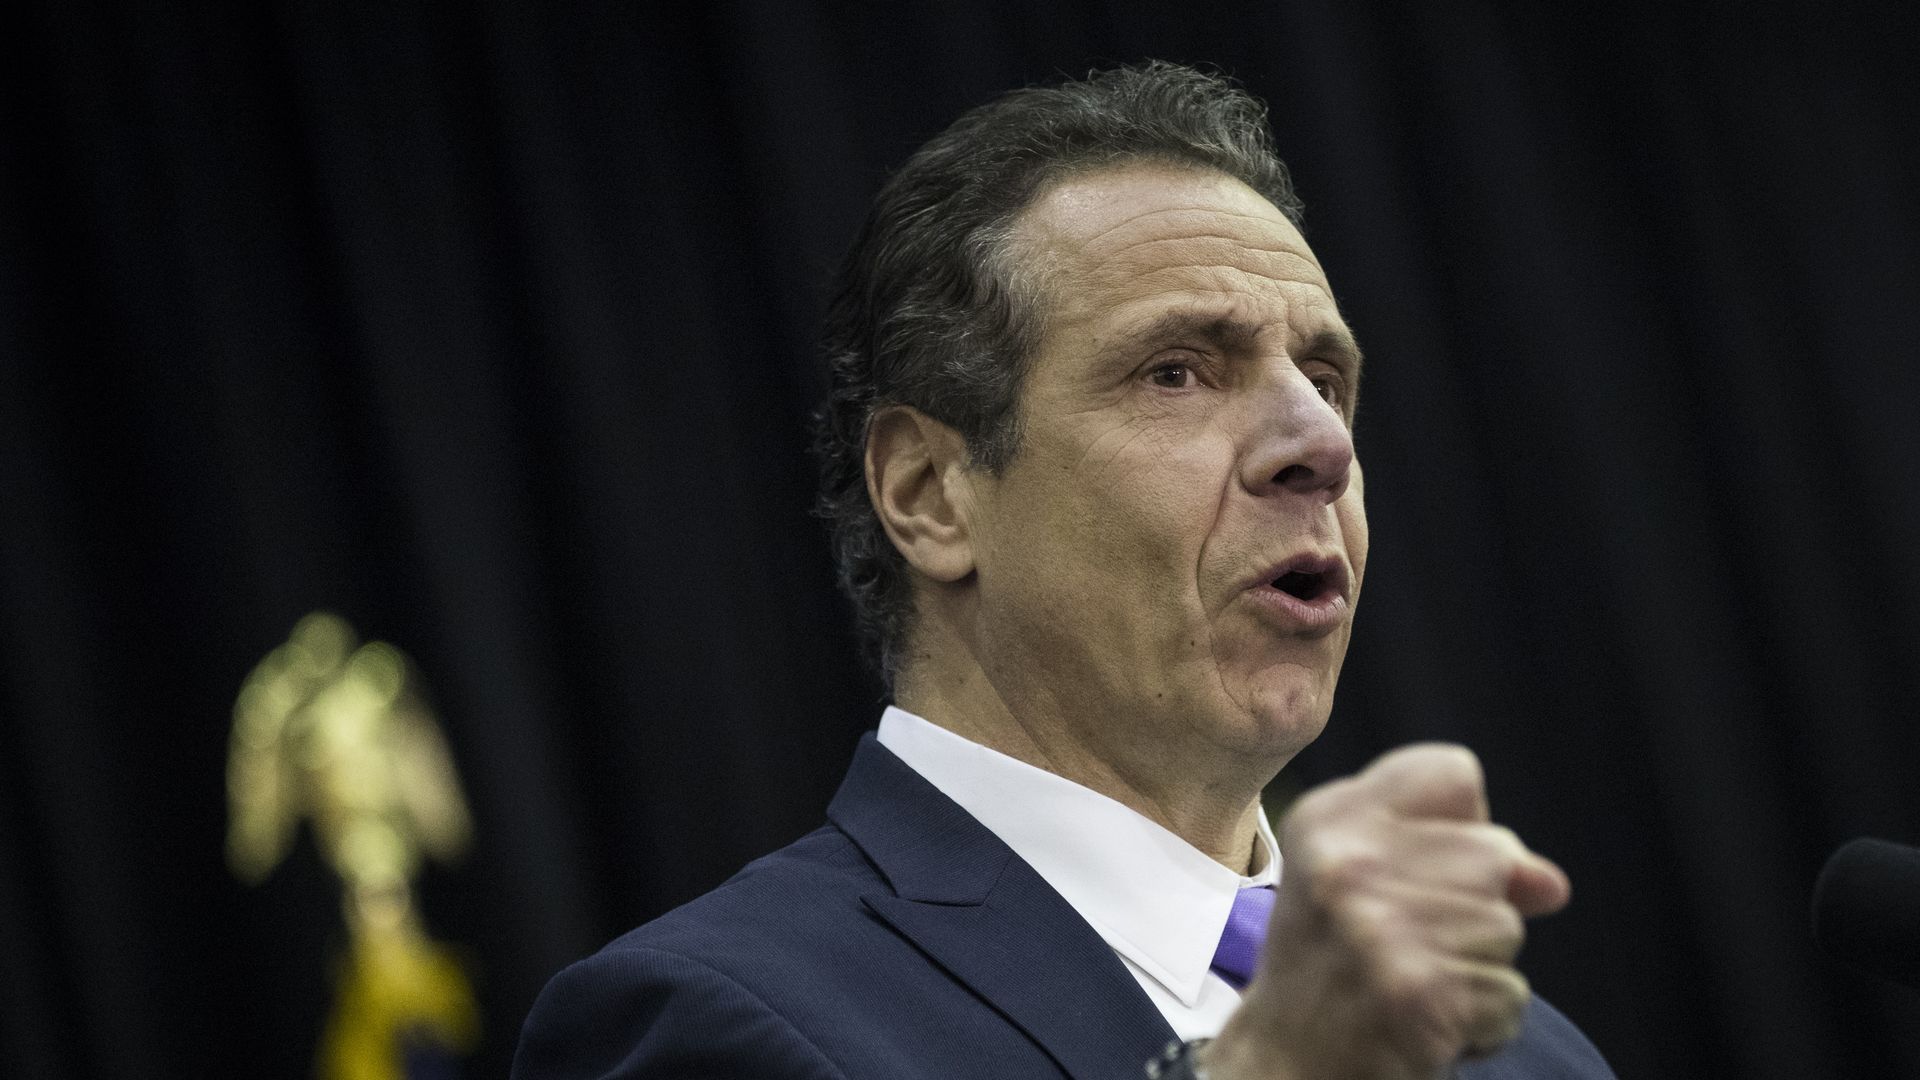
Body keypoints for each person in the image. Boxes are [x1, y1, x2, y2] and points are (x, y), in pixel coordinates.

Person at [512, 61, 1615, 1080]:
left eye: (1326, 380)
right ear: (929, 495)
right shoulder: (712, 1020)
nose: (1320, 445)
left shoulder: (1521, 1052)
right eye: (1177, 372)